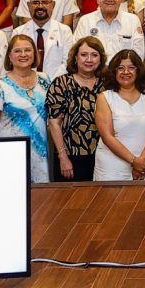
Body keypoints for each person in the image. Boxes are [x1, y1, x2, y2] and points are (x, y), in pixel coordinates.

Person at [0, 34, 51, 183]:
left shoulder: (45, 79)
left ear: (35, 54)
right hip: (10, 152)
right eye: (17, 51)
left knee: (42, 195)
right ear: (9, 56)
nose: (23, 54)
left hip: (41, 153)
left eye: (28, 50)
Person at [46, 37, 106, 182]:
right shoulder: (61, 83)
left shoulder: (107, 84)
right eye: (84, 54)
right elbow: (54, 123)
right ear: (75, 57)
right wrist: (63, 157)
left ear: (100, 59)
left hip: (104, 156)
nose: (89, 59)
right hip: (70, 158)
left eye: (94, 55)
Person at [73, 0, 145, 60]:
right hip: (94, 68)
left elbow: (138, 54)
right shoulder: (85, 21)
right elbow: (78, 52)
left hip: (123, 68)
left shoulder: (133, 21)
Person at [12, 0, 75, 78]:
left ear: (53, 5)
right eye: (35, 3)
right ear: (29, 5)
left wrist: (51, 82)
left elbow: (68, 62)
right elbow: (15, 63)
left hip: (57, 82)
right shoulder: (18, 32)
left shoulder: (65, 31)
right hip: (26, 82)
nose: (40, 6)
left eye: (45, 2)